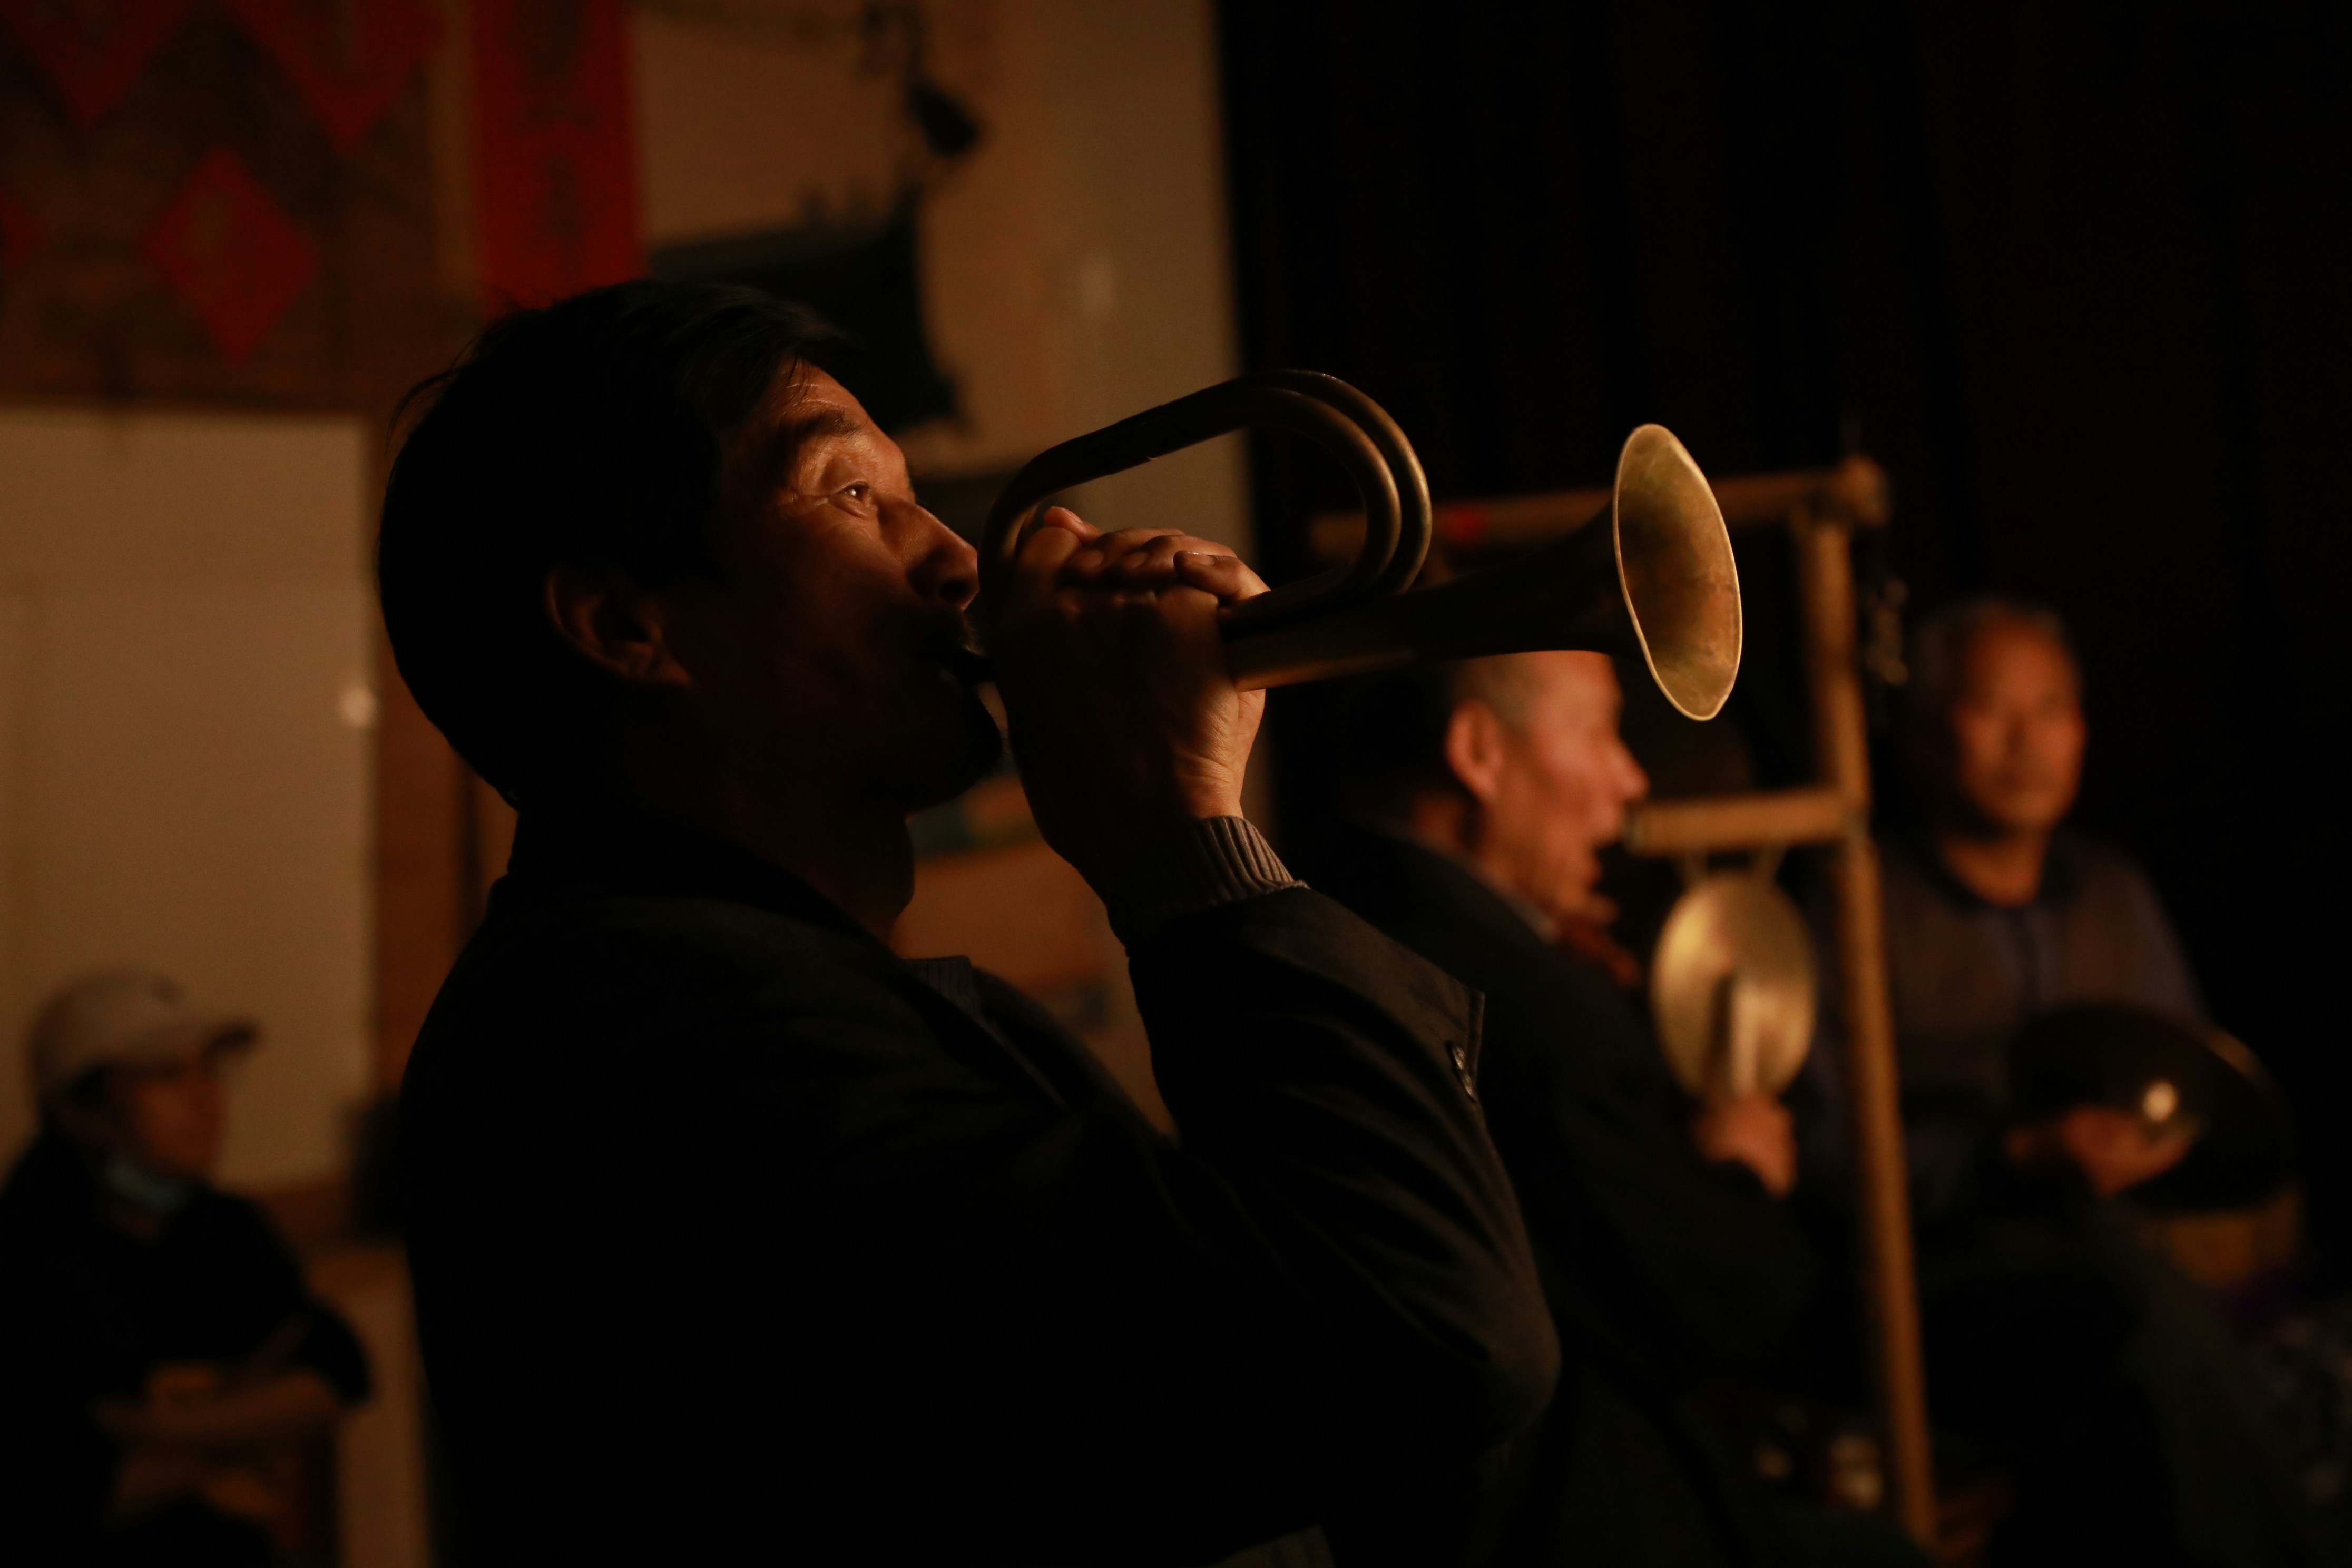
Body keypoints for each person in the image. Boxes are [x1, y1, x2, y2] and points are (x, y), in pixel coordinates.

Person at [378, 282, 1557, 1565]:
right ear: (625, 627)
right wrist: (1186, 851)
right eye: (847, 496)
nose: (951, 558)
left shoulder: (693, 991)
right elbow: (1426, 1328)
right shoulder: (647, 1050)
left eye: (911, 492)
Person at [1301, 653, 1866, 1567]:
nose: (1630, 779)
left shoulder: (1318, 906)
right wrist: (1738, 1171)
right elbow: (1724, 1300)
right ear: (1477, 751)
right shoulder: (1533, 1009)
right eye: (1599, 730)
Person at [1800, 596, 2205, 1218]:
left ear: (2081, 730)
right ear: (1926, 734)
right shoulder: (1859, 906)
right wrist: (2013, 1154)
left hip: (2119, 1236)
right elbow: (1817, 1139)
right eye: (1990, 708)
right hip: (1940, 1262)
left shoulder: (2112, 891)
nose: (2027, 742)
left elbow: (2186, 1069)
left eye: (2050, 708)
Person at [1921, 1004, 2320, 1567]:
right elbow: (1833, 1148)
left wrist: (2169, 1135)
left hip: (2099, 1240)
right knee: (2147, 1317)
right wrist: (2024, 1150)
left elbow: (2189, 1063)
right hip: (1943, 1256)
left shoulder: (2117, 915)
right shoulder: (1889, 929)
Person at [0, 968, 371, 1567]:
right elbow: (60, 1492)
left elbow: (337, 1364)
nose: (205, 1097)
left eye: (208, 1069)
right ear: (81, 1109)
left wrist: (156, 1429)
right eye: (167, 1075)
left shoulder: (221, 1226)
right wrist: (251, 1430)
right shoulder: (33, 1255)